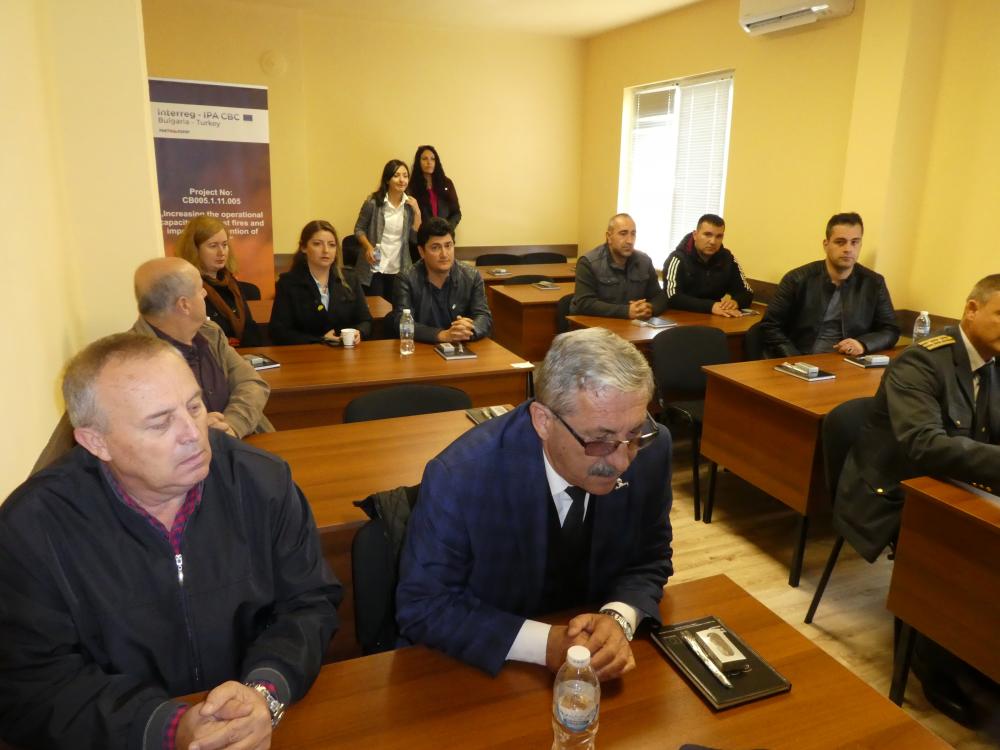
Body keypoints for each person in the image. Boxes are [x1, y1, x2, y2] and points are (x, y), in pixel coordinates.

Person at [0, 333, 341, 749]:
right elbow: (32, 685)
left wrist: (265, 692)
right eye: (160, 422)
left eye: (195, 406)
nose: (193, 434)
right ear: (95, 441)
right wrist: (167, 725)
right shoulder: (33, 528)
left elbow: (308, 603)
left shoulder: (262, 480)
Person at [396, 327, 673, 679]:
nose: (621, 461)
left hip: (597, 672)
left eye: (634, 434)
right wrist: (546, 644)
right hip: (489, 673)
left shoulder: (653, 448)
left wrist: (618, 617)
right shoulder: (461, 477)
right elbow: (425, 606)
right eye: (599, 441)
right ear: (543, 420)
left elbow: (650, 556)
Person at [833, 274, 1000, 728]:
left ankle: (981, 652)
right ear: (971, 309)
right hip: (892, 492)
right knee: (960, 553)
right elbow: (923, 445)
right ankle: (936, 665)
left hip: (957, 486)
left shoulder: (995, 363)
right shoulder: (921, 363)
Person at [133, 256, 273, 438]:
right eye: (200, 290)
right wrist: (195, 427)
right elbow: (143, 427)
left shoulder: (211, 334)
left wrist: (232, 426)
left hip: (244, 442)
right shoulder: (131, 359)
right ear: (184, 304)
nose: (205, 294)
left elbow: (252, 382)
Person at [760, 212, 899, 357]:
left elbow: (890, 330)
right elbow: (769, 326)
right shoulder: (797, 279)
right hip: (802, 359)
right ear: (826, 245)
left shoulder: (873, 283)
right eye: (840, 242)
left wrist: (863, 344)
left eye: (855, 242)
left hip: (850, 364)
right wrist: (795, 360)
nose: (848, 249)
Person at [270, 219, 373, 344]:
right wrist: (320, 340)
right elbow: (279, 332)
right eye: (317, 244)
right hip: (306, 355)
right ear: (303, 247)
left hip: (345, 354)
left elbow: (366, 320)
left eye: (331, 245)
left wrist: (359, 332)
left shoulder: (350, 279)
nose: (326, 250)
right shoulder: (288, 283)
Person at [391, 216, 492, 343]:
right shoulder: (406, 279)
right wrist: (442, 335)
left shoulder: (471, 276)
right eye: (435, 247)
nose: (444, 254)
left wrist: (468, 329)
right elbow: (401, 322)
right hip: (421, 351)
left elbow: (483, 316)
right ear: (422, 251)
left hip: (461, 350)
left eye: (448, 246)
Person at [175, 214, 263, 346]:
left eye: (225, 245)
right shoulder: (186, 288)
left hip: (243, 357)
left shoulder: (232, 283)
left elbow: (249, 327)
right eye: (213, 245)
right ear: (195, 250)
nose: (221, 252)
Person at [570, 213, 667, 320]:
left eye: (633, 234)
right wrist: (626, 311)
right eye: (623, 233)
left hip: (631, 329)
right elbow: (584, 303)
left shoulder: (644, 262)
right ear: (609, 237)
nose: (630, 241)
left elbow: (659, 296)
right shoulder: (588, 262)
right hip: (594, 329)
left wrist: (650, 308)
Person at [354, 159, 422, 303]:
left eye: (405, 175)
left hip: (399, 266)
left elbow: (414, 238)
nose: (402, 180)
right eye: (397, 175)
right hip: (375, 267)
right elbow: (359, 229)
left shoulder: (409, 206)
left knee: (396, 311)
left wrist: (417, 212)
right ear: (387, 179)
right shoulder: (373, 202)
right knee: (377, 311)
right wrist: (368, 247)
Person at [663, 213, 753, 317]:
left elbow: (747, 292)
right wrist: (711, 306)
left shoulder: (728, 258)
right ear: (695, 235)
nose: (713, 241)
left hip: (715, 317)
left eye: (719, 236)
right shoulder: (677, 259)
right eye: (707, 234)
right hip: (681, 318)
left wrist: (735, 302)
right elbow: (671, 297)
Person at [408, 145, 461, 260]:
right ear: (418, 162)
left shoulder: (446, 184)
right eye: (424, 159)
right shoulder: (411, 187)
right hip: (422, 243)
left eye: (433, 159)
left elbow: (456, 213)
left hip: (444, 241)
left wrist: (447, 228)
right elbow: (408, 218)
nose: (429, 162)